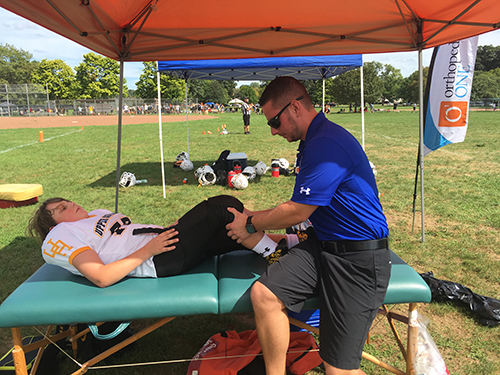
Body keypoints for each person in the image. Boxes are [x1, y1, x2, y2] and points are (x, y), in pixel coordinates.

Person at [226, 76, 391, 375]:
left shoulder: (326, 142)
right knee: (265, 295)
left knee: (338, 370)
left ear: (295, 107)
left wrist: (251, 223)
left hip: (358, 259)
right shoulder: (312, 141)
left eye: (275, 121)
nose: (274, 131)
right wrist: (254, 214)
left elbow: (296, 211)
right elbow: (302, 210)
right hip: (323, 246)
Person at [27, 195, 298, 288]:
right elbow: (100, 277)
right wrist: (150, 249)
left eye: (66, 201)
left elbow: (126, 234)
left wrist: (171, 229)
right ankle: (277, 254)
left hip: (164, 241)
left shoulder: (95, 215)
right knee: (222, 208)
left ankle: (298, 238)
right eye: (62, 208)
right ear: (52, 225)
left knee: (230, 229)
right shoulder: (60, 236)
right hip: (159, 258)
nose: (70, 204)